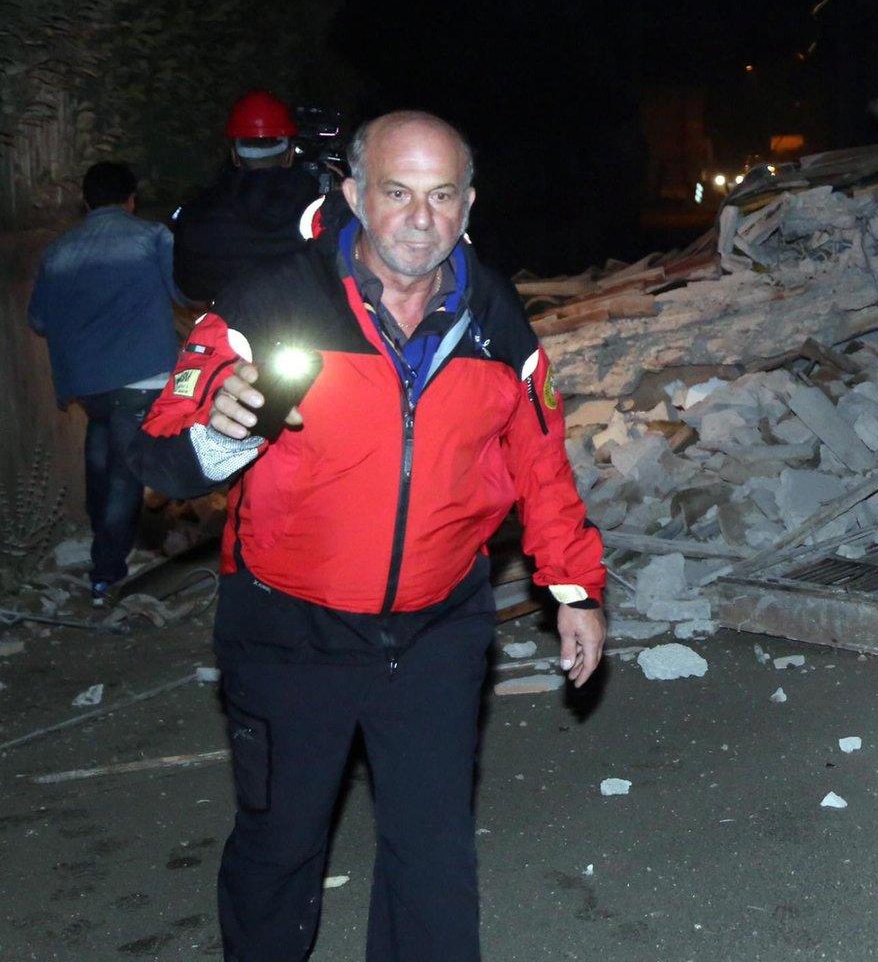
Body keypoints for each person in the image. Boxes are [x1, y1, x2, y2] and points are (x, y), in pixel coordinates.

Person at [132, 111, 608, 961]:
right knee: (280, 848)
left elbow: (540, 463)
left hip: (437, 630)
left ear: (467, 205)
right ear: (353, 195)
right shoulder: (266, 304)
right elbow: (161, 461)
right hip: (287, 631)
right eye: (396, 192)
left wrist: (573, 587)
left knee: (433, 855)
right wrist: (225, 432)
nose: (419, 218)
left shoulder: (498, 319)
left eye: (441, 195)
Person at [27, 161, 186, 602]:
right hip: (141, 376)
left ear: (86, 201)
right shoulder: (152, 237)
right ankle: (107, 571)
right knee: (124, 473)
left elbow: (38, 319)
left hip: (87, 383)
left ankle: (106, 545)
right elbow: (181, 292)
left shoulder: (58, 252)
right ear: (130, 200)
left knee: (100, 458)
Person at [172, 90, 328, 302]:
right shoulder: (323, 213)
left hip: (225, 329)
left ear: (235, 156)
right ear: (290, 155)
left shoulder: (193, 216)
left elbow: (188, 289)